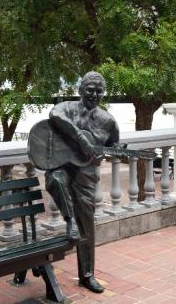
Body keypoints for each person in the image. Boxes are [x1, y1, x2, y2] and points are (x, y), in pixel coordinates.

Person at [45, 71, 119, 293]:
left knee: (87, 225)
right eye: (90, 90)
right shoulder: (66, 107)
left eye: (99, 91)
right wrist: (79, 137)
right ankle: (69, 221)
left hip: (86, 174)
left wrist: (102, 153)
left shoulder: (108, 121)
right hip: (63, 165)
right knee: (54, 180)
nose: (94, 94)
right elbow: (54, 114)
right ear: (80, 90)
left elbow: (113, 145)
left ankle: (87, 275)